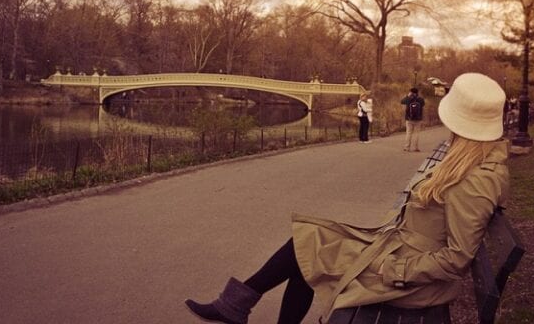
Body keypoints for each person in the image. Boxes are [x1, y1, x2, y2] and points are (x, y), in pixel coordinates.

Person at [184, 72, 509, 324]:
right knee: (306, 243)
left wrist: (396, 271)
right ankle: (236, 304)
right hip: (396, 251)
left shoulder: (477, 179)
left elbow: (458, 257)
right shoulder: (466, 161)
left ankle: (235, 305)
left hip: (408, 276)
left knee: (306, 250)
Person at [400, 87, 426, 152]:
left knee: (408, 133)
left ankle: (407, 147)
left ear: (411, 92)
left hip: (409, 119)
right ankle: (415, 148)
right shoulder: (420, 99)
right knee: (416, 133)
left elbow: (402, 101)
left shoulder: (408, 99)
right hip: (418, 119)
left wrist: (408, 96)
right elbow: (423, 104)